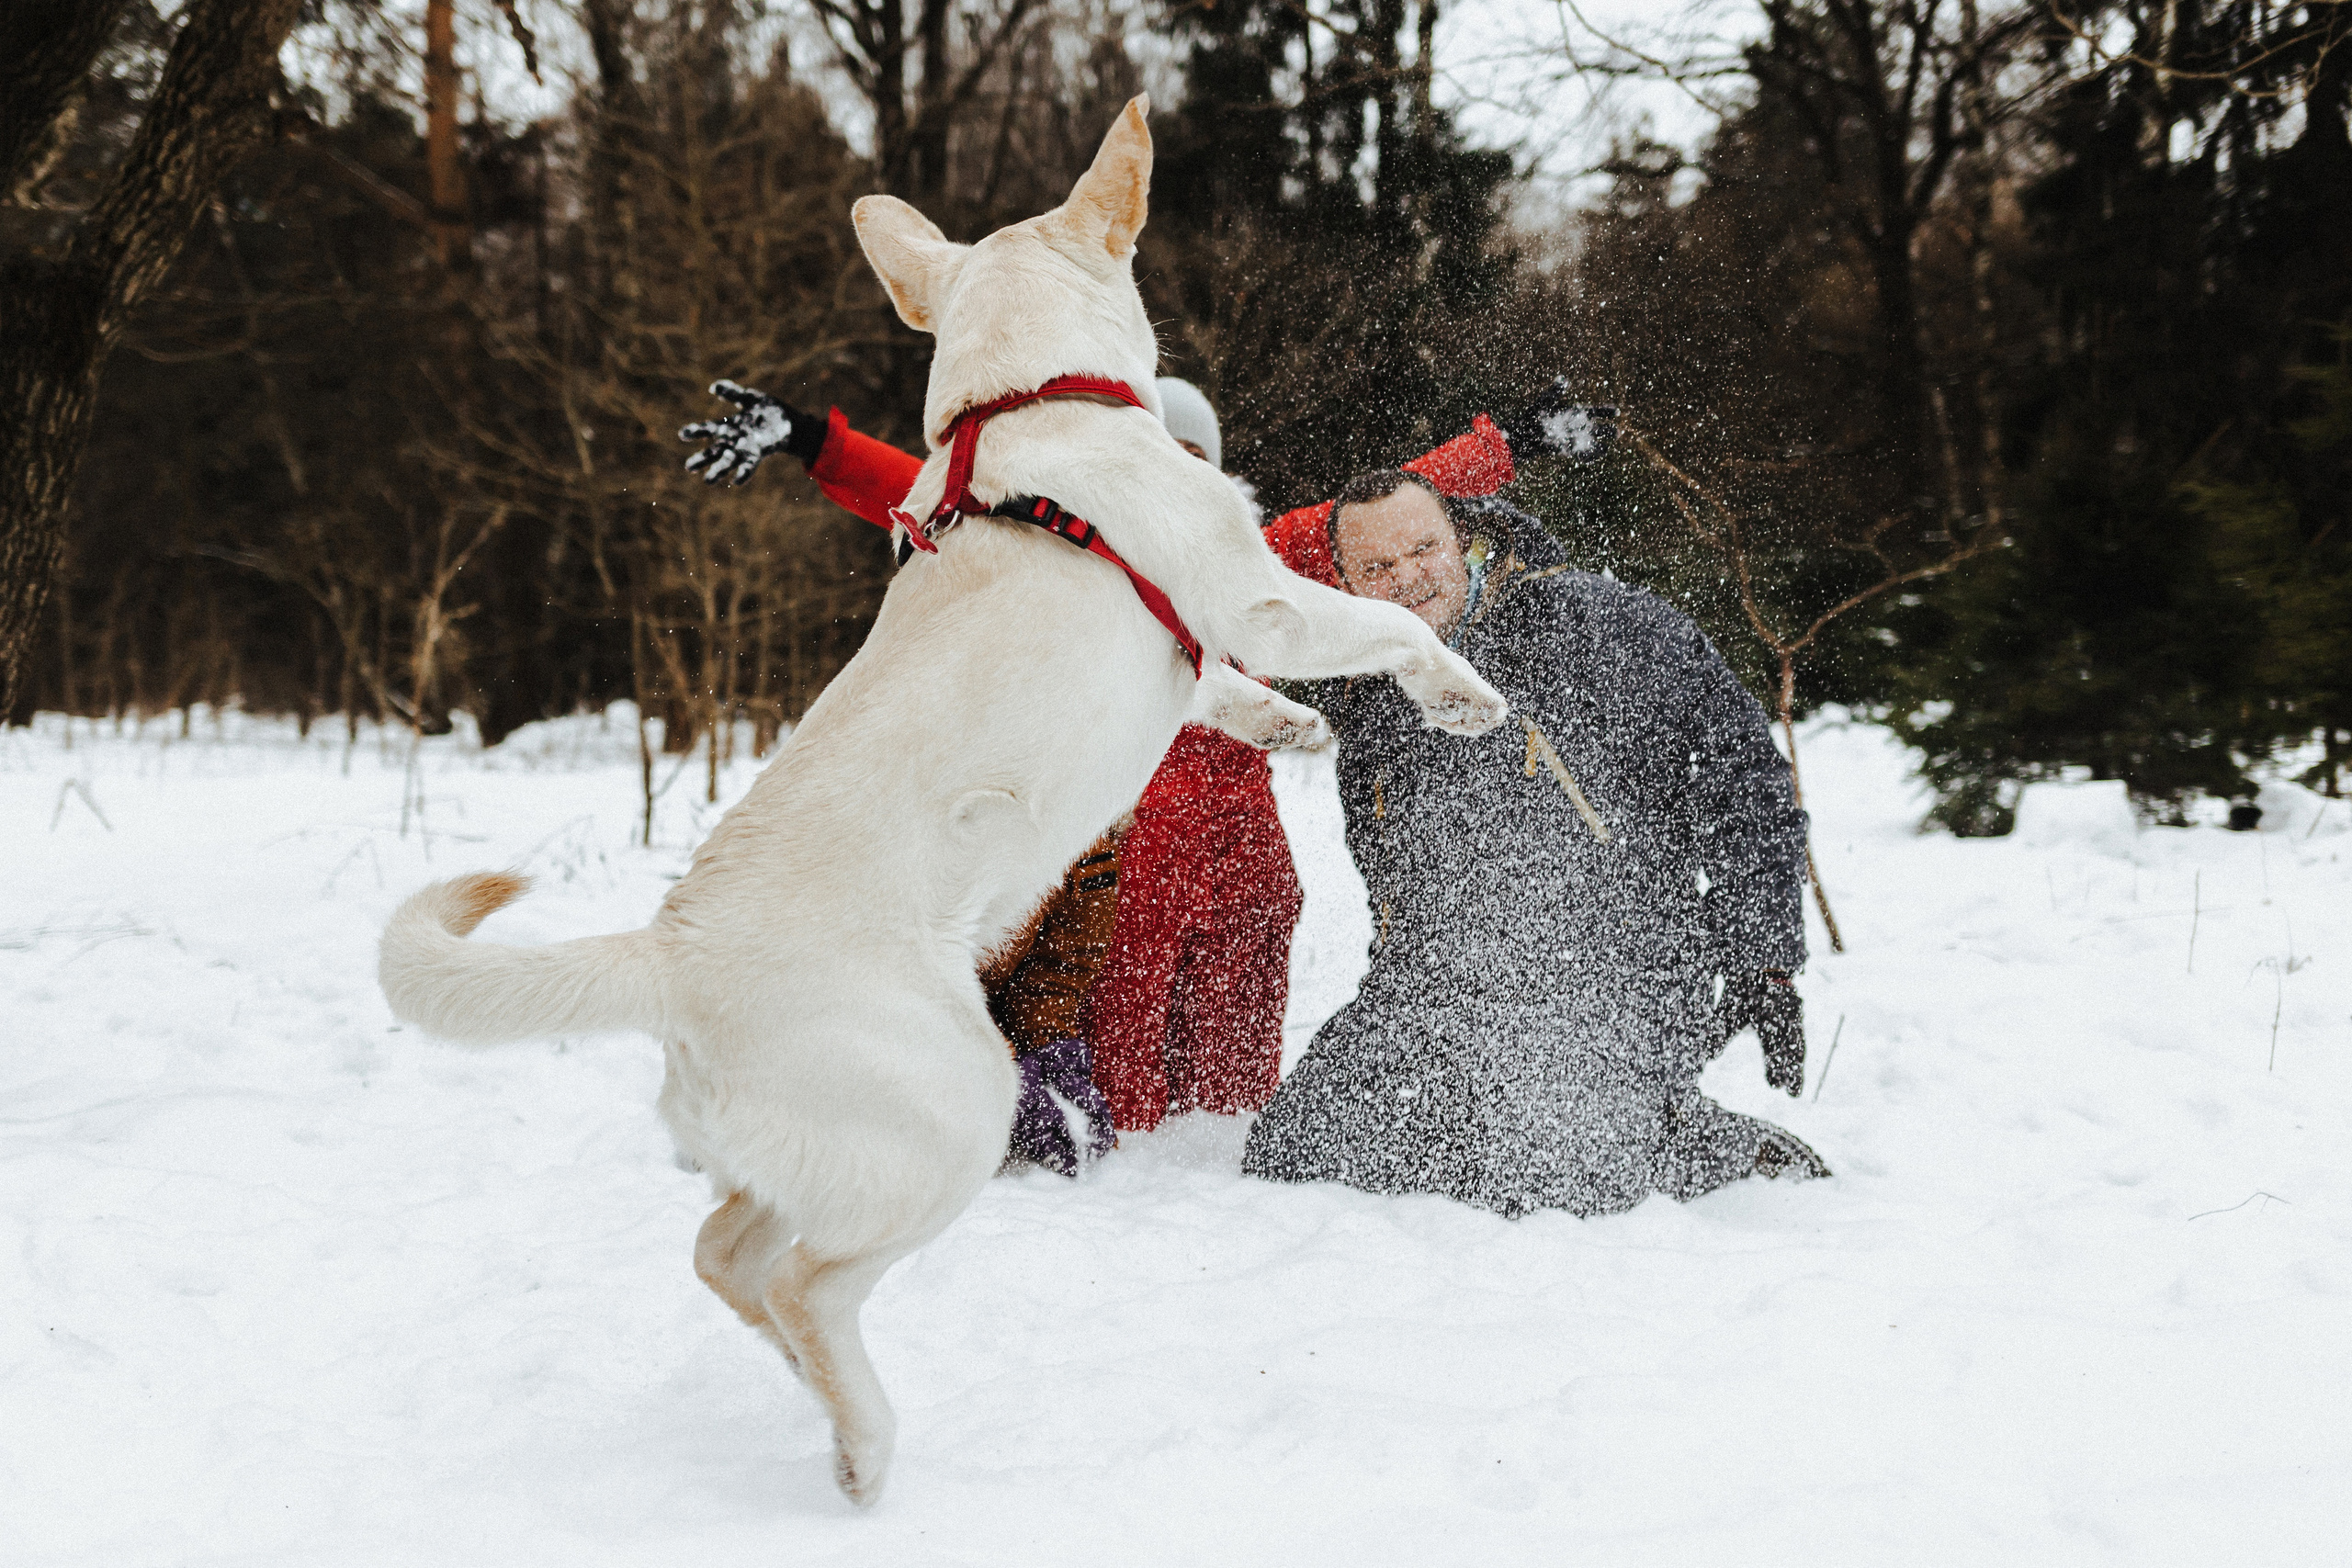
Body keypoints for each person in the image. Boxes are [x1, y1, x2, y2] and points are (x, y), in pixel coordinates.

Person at [1242, 464, 1830, 1217]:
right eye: (1377, 568)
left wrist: (1765, 959)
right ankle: (1512, 1116)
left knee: (1539, 1184)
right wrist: (1388, 1024)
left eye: (1423, 549)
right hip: (1445, 984)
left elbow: (1747, 778)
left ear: (1463, 537)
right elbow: (1397, 891)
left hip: (1623, 972)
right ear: (1350, 586)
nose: (1407, 580)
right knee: (1299, 1154)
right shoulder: (1376, 692)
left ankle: (1691, 1139)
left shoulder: (1601, 625)